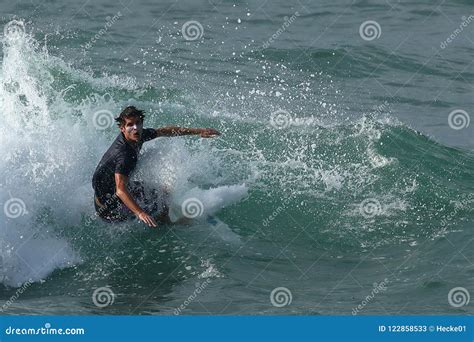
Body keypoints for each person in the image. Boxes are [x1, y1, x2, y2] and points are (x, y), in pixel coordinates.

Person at [92, 106, 220, 227]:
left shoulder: (138, 136)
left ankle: (164, 219)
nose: (135, 128)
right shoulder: (124, 155)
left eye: (138, 123)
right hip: (109, 210)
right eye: (130, 125)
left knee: (162, 193)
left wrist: (199, 131)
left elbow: (164, 131)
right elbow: (121, 190)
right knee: (157, 201)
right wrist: (140, 213)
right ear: (122, 128)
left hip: (109, 194)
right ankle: (167, 226)